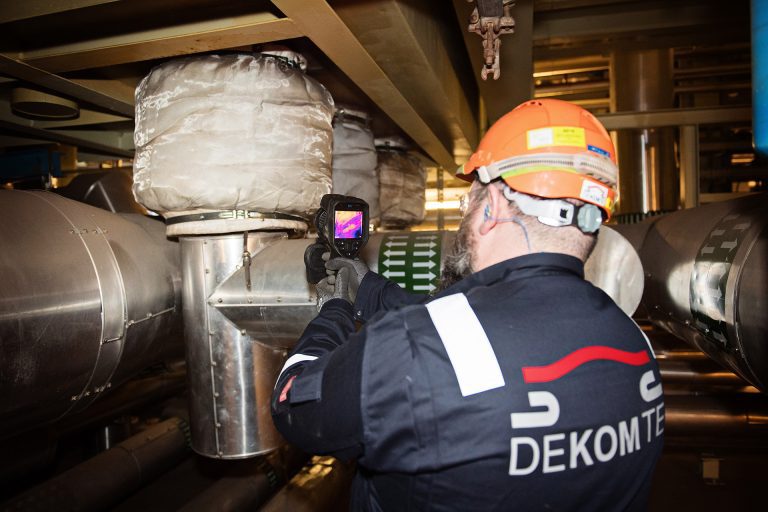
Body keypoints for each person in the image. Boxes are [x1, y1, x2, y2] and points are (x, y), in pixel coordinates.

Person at [271, 99, 664, 511]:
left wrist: (333, 309)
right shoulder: (636, 344)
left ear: (491, 206)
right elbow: (454, 326)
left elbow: (293, 406)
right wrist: (364, 287)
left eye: (469, 201)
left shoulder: (418, 349)